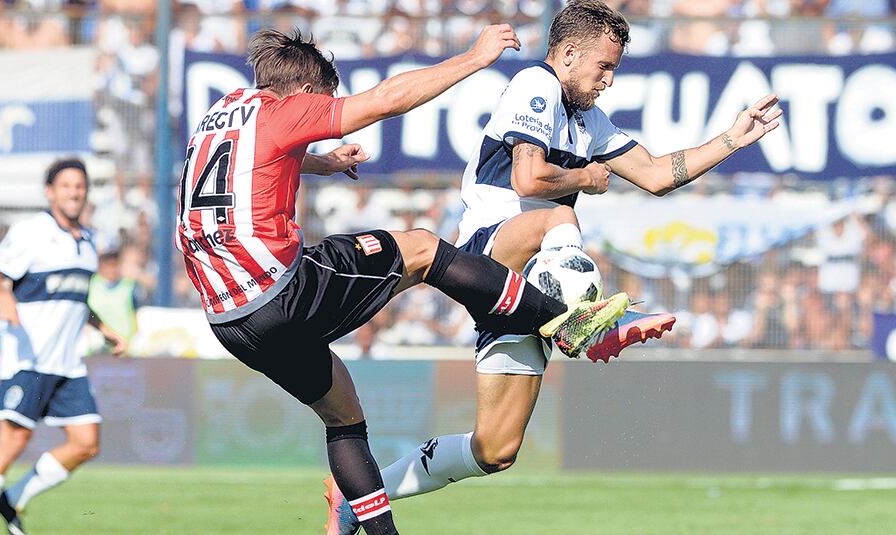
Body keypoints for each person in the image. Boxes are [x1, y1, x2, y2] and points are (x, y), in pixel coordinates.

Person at [325, 2, 784, 533]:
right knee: (556, 215)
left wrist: (732, 138)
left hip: (527, 284)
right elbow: (528, 180)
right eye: (604, 67)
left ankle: (356, 494)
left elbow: (657, 174)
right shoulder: (534, 85)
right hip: (488, 252)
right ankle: (588, 325)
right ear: (568, 54)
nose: (609, 80)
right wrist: (586, 179)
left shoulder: (588, 118)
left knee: (495, 448)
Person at [177, 27, 622, 535]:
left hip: (228, 317)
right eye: (323, 107)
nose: (325, 122)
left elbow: (246, 167)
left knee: (343, 416)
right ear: (303, 94)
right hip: (281, 289)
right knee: (421, 248)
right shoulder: (287, 109)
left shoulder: (222, 115)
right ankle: (561, 320)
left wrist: (319, 162)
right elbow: (386, 100)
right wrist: (473, 59)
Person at [0, 159, 127, 535]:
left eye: (80, 186)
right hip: (30, 358)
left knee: (86, 443)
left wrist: (104, 329)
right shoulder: (31, 232)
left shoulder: (87, 242)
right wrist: (4, 297)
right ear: (50, 191)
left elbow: (74, 298)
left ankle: (13, 497)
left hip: (68, 363)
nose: (74, 192)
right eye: (66, 185)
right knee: (12, 442)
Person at [88, 248, 140, 350]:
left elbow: (135, 316)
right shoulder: (92, 284)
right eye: (108, 265)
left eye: (114, 265)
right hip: (96, 347)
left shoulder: (129, 286)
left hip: (124, 346)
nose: (112, 270)